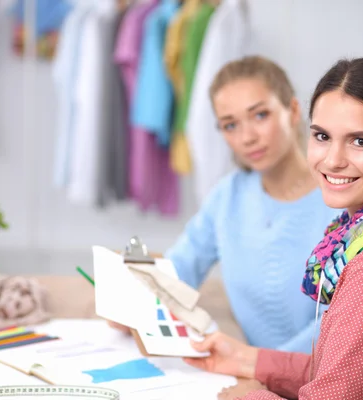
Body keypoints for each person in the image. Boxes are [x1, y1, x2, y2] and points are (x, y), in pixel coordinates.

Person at [183, 57, 363, 400]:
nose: (333, 160)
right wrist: (250, 360)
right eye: (323, 136)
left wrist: (242, 396)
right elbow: (346, 370)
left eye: (360, 141)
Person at [109, 56, 339, 353]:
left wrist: (261, 365)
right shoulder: (227, 197)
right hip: (252, 376)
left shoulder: (340, 200)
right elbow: (179, 268)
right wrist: (135, 300)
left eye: (260, 116)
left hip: (320, 378)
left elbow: (340, 324)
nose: (247, 137)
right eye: (230, 125)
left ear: (293, 110)